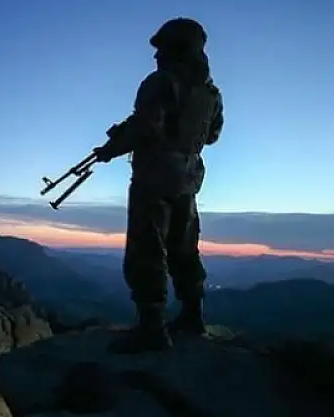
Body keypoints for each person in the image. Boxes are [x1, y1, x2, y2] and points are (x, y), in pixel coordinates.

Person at [91, 17, 225, 354]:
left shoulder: (161, 82)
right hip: (188, 179)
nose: (156, 55)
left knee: (146, 247)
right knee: (184, 247)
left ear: (176, 48)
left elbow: (147, 127)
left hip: (154, 177)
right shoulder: (211, 93)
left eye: (162, 48)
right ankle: (192, 316)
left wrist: (112, 148)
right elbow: (212, 135)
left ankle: (151, 327)